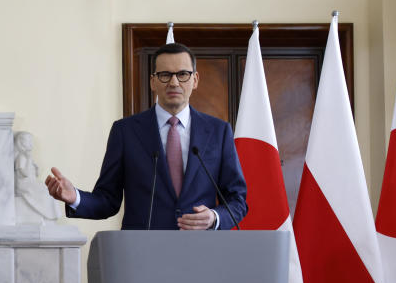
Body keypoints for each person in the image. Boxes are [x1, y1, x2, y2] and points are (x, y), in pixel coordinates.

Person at [45, 43, 247, 230]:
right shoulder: (125, 131)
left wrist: (214, 217)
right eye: (165, 74)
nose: (174, 82)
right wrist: (75, 198)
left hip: (201, 252)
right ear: (153, 81)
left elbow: (237, 200)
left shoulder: (218, 131)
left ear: (195, 80)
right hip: (141, 253)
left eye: (183, 74)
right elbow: (107, 200)